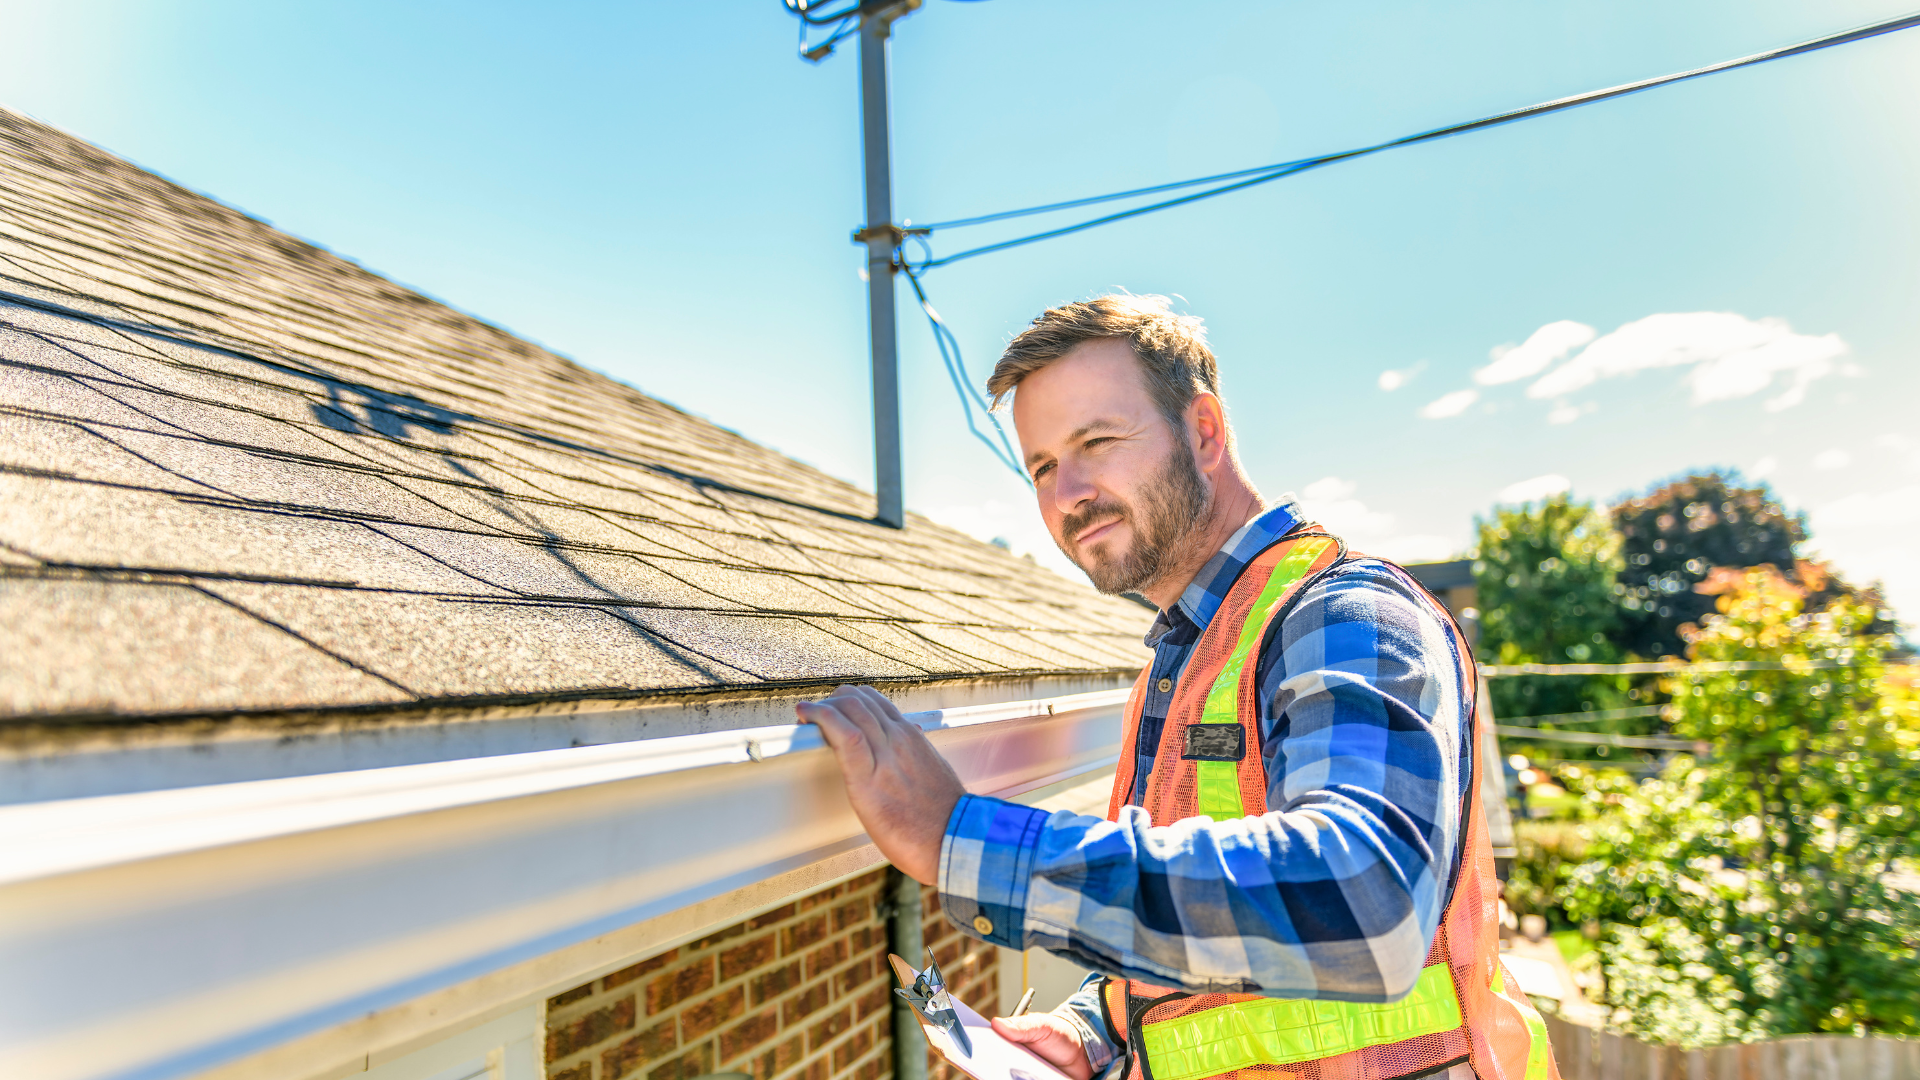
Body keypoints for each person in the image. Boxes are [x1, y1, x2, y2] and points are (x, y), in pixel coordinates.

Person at [798, 296, 1556, 1080]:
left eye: (1096, 442)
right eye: (1043, 467)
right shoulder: (1187, 660)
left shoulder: (1342, 614)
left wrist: (963, 842)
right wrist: (1099, 1023)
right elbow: (1211, 922)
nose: (1067, 493)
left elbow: (1367, 904)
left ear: (1204, 431)